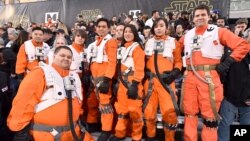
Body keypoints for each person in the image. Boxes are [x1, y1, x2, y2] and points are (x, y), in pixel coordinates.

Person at [178, 5, 250, 141]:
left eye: (203, 15)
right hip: (190, 77)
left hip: (209, 78)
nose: (200, 17)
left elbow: (243, 45)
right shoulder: (187, 35)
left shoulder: (219, 31)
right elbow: (174, 49)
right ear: (193, 18)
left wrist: (227, 62)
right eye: (197, 15)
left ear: (209, 16)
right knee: (189, 115)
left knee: (210, 118)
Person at [7, 46, 94, 141]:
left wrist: (79, 117)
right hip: (45, 135)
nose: (66, 58)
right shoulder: (40, 73)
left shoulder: (75, 77)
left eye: (69, 57)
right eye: (62, 55)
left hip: (72, 133)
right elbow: (23, 103)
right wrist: (20, 131)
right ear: (54, 56)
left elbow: (78, 100)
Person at [143, 18, 182, 141]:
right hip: (150, 83)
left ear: (166, 28)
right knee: (149, 112)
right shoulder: (148, 42)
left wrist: (174, 73)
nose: (158, 28)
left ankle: (169, 138)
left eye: (161, 25)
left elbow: (178, 61)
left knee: (170, 113)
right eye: (156, 26)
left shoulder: (173, 42)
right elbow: (143, 61)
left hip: (166, 82)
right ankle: (150, 136)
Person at [110, 24, 145, 141]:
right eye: (125, 32)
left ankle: (137, 136)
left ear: (135, 34)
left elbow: (140, 68)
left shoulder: (137, 48)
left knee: (135, 112)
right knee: (122, 110)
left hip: (132, 84)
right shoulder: (122, 48)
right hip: (122, 84)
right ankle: (120, 133)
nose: (127, 34)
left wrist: (135, 84)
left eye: (130, 32)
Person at [86, 18, 118, 141]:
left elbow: (112, 62)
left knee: (105, 105)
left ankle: (106, 131)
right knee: (92, 103)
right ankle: (92, 124)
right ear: (95, 28)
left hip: (104, 79)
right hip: (94, 79)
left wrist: (107, 79)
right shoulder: (95, 43)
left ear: (109, 28)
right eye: (99, 26)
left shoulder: (110, 42)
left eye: (104, 26)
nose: (101, 28)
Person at [217, 28, 250, 141]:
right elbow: (223, 74)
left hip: (248, 103)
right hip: (230, 98)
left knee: (244, 129)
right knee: (225, 127)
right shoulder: (233, 53)